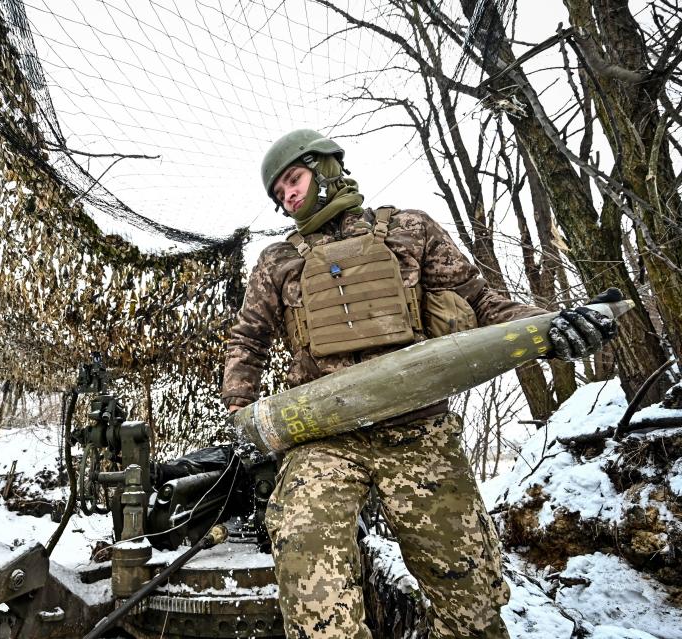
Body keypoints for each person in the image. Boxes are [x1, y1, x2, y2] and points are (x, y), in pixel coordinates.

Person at [222, 129, 618, 639]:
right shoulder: (277, 261)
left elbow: (483, 305)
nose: (288, 197)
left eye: (293, 180)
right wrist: (240, 412)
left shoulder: (409, 228)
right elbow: (247, 341)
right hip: (325, 440)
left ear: (324, 167)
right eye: (279, 195)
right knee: (313, 589)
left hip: (420, 435)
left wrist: (553, 327)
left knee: (471, 606)